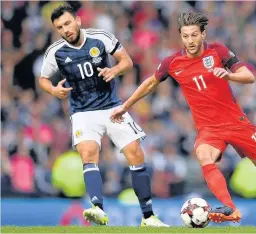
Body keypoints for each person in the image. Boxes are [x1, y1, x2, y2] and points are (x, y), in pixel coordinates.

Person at [111, 12, 256, 223]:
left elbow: (249, 76)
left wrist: (229, 75)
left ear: (203, 34)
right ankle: (231, 209)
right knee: (204, 156)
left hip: (236, 124)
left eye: (194, 35)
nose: (190, 40)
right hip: (209, 129)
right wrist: (125, 106)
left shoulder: (218, 51)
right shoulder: (172, 62)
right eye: (185, 36)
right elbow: (150, 83)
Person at [39, 4, 168, 227]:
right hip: (82, 112)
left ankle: (148, 216)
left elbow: (126, 61)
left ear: (78, 20)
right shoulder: (56, 52)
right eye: (60, 27)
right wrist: (52, 90)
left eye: (68, 23)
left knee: (135, 153)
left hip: (112, 107)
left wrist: (114, 70)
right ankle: (97, 207)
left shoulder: (101, 38)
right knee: (88, 153)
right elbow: (43, 78)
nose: (65, 29)